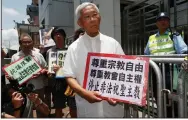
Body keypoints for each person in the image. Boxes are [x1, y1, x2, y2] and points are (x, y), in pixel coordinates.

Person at [62, 2, 124, 117]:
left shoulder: (113, 43)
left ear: (99, 18)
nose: (92, 19)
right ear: (80, 23)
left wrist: (120, 94)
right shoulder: (74, 48)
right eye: (87, 17)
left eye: (95, 15)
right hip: (87, 109)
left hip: (112, 109)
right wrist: (84, 93)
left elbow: (124, 71)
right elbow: (69, 76)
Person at [144, 12, 188, 117]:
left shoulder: (174, 35)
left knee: (172, 98)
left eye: (165, 19)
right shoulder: (151, 38)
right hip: (156, 72)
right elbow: (146, 54)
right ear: (156, 23)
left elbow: (184, 51)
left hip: (171, 72)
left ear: (168, 22)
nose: (163, 21)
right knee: (158, 96)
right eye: (160, 19)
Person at [5, 33, 48, 118]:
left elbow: (46, 68)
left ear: (32, 43)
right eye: (24, 42)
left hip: (38, 87)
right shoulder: (15, 57)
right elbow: (11, 74)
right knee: (26, 112)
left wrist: (41, 72)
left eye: (29, 42)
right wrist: (10, 77)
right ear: (20, 44)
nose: (27, 44)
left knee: (41, 110)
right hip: (22, 90)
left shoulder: (38, 55)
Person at [46, 27, 68, 118]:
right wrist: (48, 72)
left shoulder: (71, 49)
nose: (58, 36)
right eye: (55, 34)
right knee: (58, 105)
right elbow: (48, 66)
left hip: (70, 79)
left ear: (64, 36)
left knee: (73, 104)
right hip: (56, 81)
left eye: (60, 34)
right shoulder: (49, 52)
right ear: (53, 38)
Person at [65, 28, 85, 118]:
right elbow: (67, 70)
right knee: (74, 109)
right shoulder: (72, 51)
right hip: (74, 87)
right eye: (80, 37)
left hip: (88, 86)